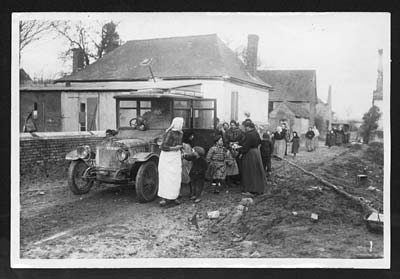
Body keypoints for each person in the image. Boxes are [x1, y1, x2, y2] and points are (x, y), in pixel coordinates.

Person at [158, 117, 184, 207]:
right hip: (167, 157)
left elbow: (180, 144)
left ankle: (174, 196)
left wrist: (181, 148)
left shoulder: (180, 133)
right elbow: (163, 147)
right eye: (181, 123)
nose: (182, 125)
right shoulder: (169, 133)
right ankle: (164, 198)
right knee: (166, 177)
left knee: (176, 177)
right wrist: (175, 148)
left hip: (176, 157)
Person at [238, 119, 267, 196]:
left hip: (250, 154)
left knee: (250, 171)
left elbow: (245, 147)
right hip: (256, 152)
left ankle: (251, 190)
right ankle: (258, 188)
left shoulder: (249, 134)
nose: (243, 129)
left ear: (247, 127)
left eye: (244, 127)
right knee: (256, 171)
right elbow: (259, 142)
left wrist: (238, 148)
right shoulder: (255, 132)